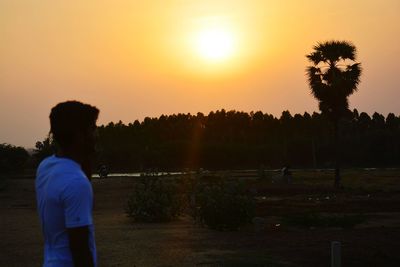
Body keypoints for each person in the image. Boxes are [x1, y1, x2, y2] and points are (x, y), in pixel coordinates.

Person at [35, 101, 99, 267]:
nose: (96, 135)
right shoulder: (76, 183)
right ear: (79, 135)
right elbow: (80, 250)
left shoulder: (46, 166)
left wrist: (83, 152)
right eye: (92, 128)